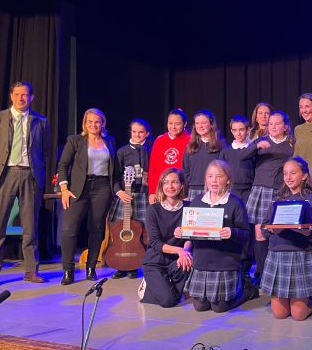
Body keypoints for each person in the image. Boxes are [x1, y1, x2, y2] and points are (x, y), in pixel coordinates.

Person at [0, 81, 48, 288]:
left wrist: (38, 170)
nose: (21, 98)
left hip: (30, 175)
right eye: (17, 94)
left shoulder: (40, 121)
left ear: (31, 97)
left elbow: (45, 151)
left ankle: (31, 270)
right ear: (11, 96)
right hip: (5, 175)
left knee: (31, 228)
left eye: (25, 95)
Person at [185, 160, 258, 312]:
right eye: (210, 176)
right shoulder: (197, 201)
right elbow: (191, 232)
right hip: (202, 262)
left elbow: (246, 234)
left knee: (219, 307)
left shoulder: (235, 203)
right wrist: (182, 231)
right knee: (200, 307)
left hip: (225, 262)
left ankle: (247, 291)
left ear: (228, 180)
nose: (214, 180)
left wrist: (233, 232)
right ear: (205, 179)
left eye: (219, 176)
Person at [57, 108, 117, 285]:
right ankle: (68, 271)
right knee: (69, 229)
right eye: (90, 121)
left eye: (97, 121)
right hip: (78, 188)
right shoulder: (75, 141)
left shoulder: (110, 141)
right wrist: (64, 189)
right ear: (84, 123)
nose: (93, 125)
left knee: (97, 228)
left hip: (102, 187)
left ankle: (91, 267)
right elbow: (62, 165)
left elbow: (115, 168)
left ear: (103, 123)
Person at [261, 157, 312, 320]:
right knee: (279, 314)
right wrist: (272, 230)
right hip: (277, 255)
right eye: (285, 173)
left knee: (298, 315)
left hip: (300, 255)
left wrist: (308, 232)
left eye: (293, 173)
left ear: (304, 176)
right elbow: (264, 228)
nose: (288, 177)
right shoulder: (278, 199)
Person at [246, 110, 295, 284]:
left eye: (277, 123)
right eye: (270, 124)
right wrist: (255, 147)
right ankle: (261, 274)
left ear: (285, 127)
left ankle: (275, 273)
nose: (273, 127)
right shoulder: (260, 141)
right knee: (259, 233)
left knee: (276, 232)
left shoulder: (291, 145)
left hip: (278, 191)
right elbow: (242, 156)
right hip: (260, 190)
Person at [140, 168, 191, 307]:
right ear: (162, 186)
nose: (170, 186)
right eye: (166, 182)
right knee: (169, 301)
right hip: (156, 259)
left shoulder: (189, 208)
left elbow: (190, 237)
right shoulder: (153, 209)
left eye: (175, 182)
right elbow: (155, 242)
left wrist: (185, 251)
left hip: (177, 259)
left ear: (182, 185)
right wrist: (179, 250)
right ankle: (149, 287)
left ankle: (162, 287)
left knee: (188, 261)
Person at [109, 118, 153, 279]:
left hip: (144, 196)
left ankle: (135, 263)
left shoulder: (152, 150)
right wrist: (118, 192)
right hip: (125, 195)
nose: (137, 135)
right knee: (120, 228)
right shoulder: (122, 152)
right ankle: (121, 265)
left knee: (142, 230)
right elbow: (114, 176)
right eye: (134, 132)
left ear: (147, 133)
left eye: (141, 132)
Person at [220, 115, 256, 282]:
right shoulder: (226, 151)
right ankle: (231, 264)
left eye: (242, 129)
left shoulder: (253, 149)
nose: (239, 133)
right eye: (235, 130)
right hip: (231, 193)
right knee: (231, 226)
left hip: (248, 192)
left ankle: (246, 268)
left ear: (248, 130)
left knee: (246, 228)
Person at [148, 109, 190, 204]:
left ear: (185, 124)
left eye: (177, 124)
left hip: (181, 189)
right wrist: (152, 192)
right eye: (170, 123)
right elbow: (153, 168)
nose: (173, 127)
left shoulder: (190, 140)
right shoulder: (160, 140)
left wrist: (186, 190)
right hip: (161, 189)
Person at [183, 110, 225, 200]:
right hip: (193, 189)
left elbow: (225, 169)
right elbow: (185, 169)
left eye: (204, 123)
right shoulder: (190, 145)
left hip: (214, 189)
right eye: (197, 123)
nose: (200, 126)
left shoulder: (221, 144)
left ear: (211, 124)